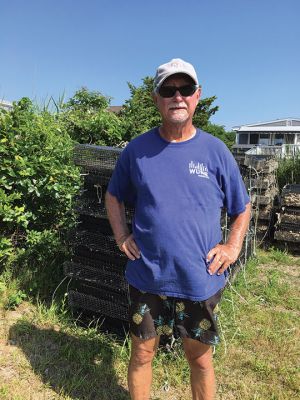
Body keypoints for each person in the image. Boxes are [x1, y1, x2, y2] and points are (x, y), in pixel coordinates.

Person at [105, 58, 251, 400]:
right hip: (147, 277)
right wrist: (122, 236)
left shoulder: (216, 152)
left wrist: (232, 247)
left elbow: (241, 208)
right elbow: (113, 197)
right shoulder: (137, 151)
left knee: (199, 360)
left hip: (198, 277)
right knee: (141, 354)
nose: (177, 97)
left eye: (185, 89)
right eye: (168, 90)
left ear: (197, 96)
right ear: (156, 98)